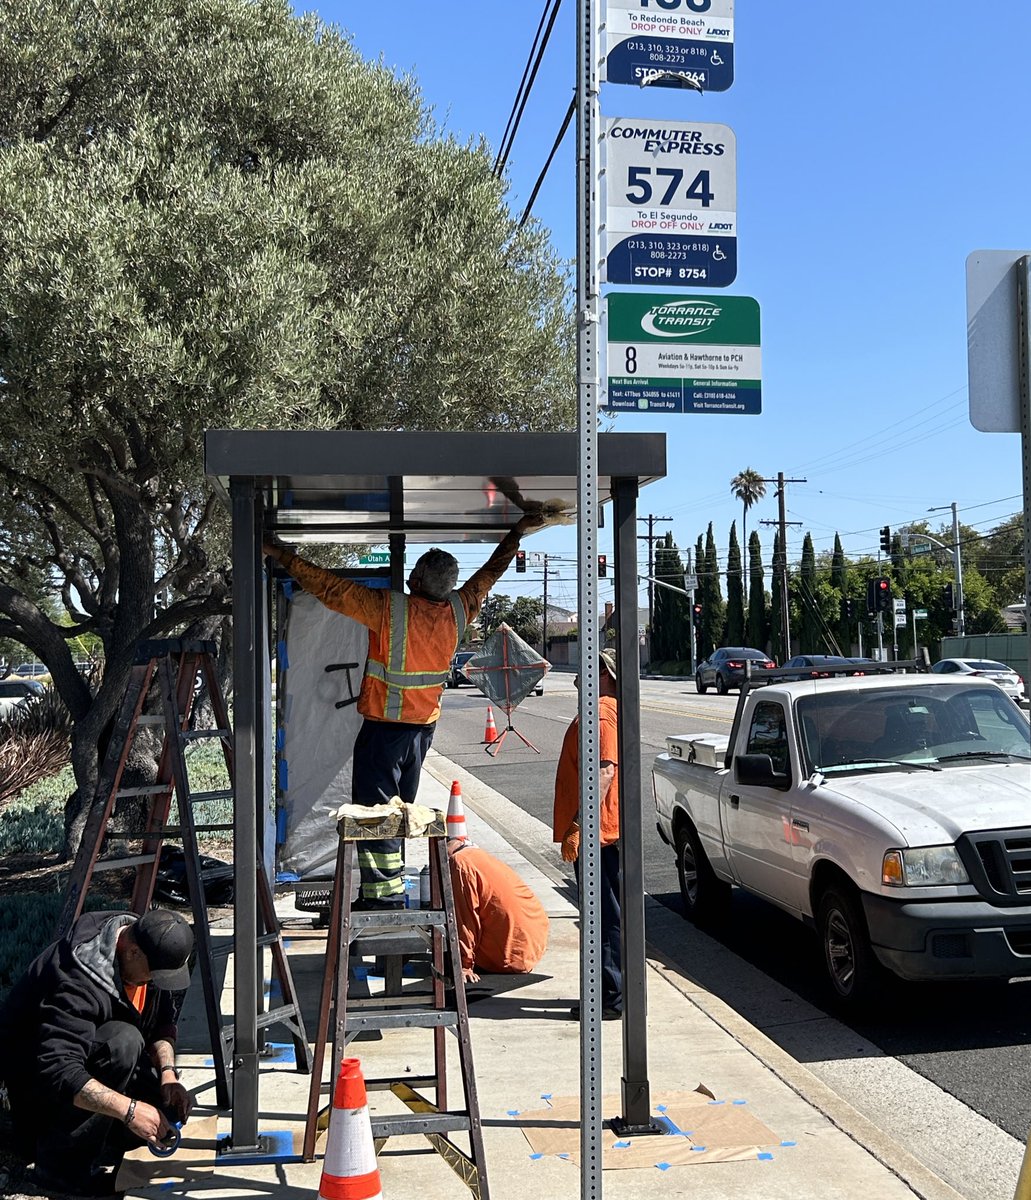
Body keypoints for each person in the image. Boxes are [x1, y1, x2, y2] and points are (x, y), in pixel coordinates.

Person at [263, 513, 542, 908]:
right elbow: (489, 574)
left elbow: (329, 587)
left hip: (385, 733)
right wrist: (515, 533)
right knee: (397, 813)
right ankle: (388, 888)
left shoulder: (390, 610)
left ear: (415, 579)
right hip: (421, 734)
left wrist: (281, 554)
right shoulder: (461, 610)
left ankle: (383, 899)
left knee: (375, 815)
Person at [0, 908, 195, 1195]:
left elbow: (162, 1024)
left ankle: (106, 1137)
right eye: (153, 976)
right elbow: (60, 1072)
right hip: (38, 1089)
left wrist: (167, 1073)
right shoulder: (73, 980)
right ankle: (60, 1169)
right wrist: (129, 1111)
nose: (154, 983)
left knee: (161, 1112)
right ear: (132, 952)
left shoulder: (144, 949)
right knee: (123, 1042)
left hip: (92, 1059)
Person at [552, 648, 622, 1019]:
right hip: (602, 832)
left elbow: (605, 770)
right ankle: (608, 994)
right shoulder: (604, 709)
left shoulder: (602, 712)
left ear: (606, 675)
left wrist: (581, 822)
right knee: (603, 914)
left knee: (601, 917)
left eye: (591, 669)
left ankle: (609, 998)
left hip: (600, 836)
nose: (581, 675)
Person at [446, 838, 549, 983]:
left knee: (448, 943)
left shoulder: (460, 863)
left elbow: (465, 920)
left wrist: (463, 965)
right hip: (532, 945)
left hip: (509, 954)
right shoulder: (477, 855)